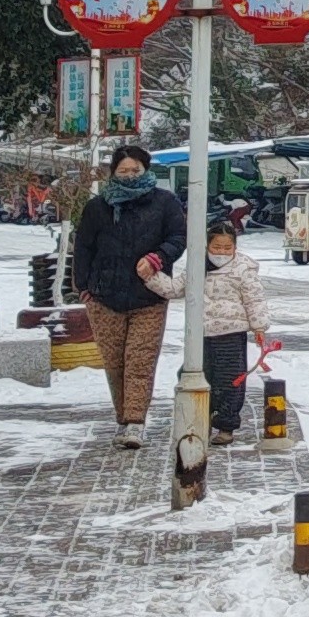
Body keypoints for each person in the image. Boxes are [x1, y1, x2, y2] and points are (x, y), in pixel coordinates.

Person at [67, 143, 188, 443]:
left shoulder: (165, 203)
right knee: (114, 362)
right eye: (124, 171)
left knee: (140, 360)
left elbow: (178, 237)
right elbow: (83, 247)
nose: (130, 175)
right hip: (104, 297)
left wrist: (157, 258)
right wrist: (83, 286)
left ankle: (135, 421)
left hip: (149, 296)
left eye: (136, 170)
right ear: (113, 172)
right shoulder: (98, 207)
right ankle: (122, 417)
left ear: (146, 169)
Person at [198, 214, 274, 441]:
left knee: (230, 379)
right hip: (202, 334)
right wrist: (151, 278)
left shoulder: (243, 269)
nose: (221, 252)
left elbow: (254, 299)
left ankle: (226, 426)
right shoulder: (198, 266)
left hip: (232, 333)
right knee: (196, 374)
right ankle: (201, 417)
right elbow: (177, 287)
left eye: (227, 247)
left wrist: (259, 327)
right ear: (207, 245)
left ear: (235, 247)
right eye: (216, 247)